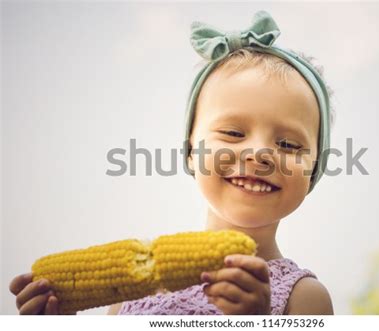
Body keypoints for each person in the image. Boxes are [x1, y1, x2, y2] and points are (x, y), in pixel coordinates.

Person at [9, 10, 335, 315]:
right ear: (191, 151)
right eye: (234, 132)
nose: (260, 153)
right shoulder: (132, 288)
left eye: (289, 144)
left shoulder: (305, 296)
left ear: (313, 171)